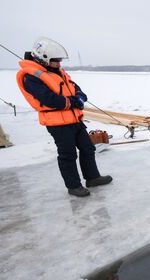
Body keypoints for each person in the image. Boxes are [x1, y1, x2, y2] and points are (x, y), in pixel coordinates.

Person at [16, 37, 112, 197]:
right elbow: (49, 99)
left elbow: (76, 88)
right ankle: (73, 186)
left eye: (60, 60)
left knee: (88, 148)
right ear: (43, 58)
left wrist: (80, 97)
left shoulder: (57, 72)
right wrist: (74, 101)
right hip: (57, 124)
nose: (59, 64)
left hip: (74, 120)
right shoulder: (31, 77)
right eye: (56, 61)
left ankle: (92, 177)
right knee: (68, 154)